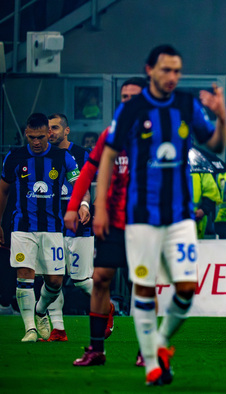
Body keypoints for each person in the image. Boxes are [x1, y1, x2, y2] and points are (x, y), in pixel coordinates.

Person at [92, 45, 226, 386]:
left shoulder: (185, 104)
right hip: (141, 217)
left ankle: (161, 343)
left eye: (177, 71)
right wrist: (101, 207)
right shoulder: (132, 109)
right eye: (166, 70)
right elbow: (107, 156)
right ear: (150, 69)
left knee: (186, 288)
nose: (172, 77)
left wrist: (222, 116)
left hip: (181, 215)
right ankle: (152, 364)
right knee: (145, 287)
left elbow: (215, 145)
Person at [65, 77, 147, 366]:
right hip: (111, 223)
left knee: (142, 286)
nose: (126, 101)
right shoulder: (111, 134)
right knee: (100, 279)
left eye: (132, 97)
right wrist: (74, 206)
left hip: (144, 223)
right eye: (123, 97)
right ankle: (96, 349)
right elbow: (88, 171)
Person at [0, 113, 81, 342]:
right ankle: (30, 329)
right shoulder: (14, 157)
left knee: (55, 281)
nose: (36, 142)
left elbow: (79, 185)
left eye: (40, 137)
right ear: (26, 134)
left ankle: (40, 311)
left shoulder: (63, 157)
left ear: (49, 134)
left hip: (53, 228)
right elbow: (3, 191)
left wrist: (82, 204)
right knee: (24, 275)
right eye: (32, 137)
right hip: (22, 226)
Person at [44, 113, 93, 342]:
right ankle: (58, 328)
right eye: (48, 128)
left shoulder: (82, 155)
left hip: (78, 224)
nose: (50, 132)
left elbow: (87, 186)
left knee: (81, 281)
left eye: (54, 128)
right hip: (50, 224)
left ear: (66, 131)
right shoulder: (41, 155)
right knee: (53, 278)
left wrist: (84, 205)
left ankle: (107, 306)